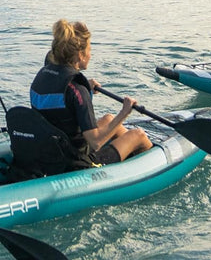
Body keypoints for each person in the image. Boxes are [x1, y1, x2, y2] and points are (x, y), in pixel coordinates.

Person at [29, 19, 152, 167]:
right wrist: (124, 112)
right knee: (138, 135)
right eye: (89, 50)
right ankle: (150, 167)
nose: (90, 55)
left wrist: (86, 88)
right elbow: (96, 142)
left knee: (108, 119)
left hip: (54, 149)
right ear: (80, 55)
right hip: (76, 161)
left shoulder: (42, 76)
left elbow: (63, 111)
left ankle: (127, 154)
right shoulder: (77, 90)